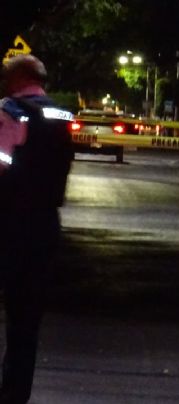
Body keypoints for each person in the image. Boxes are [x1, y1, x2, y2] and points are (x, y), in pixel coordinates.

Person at [0, 55, 74, 403]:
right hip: (45, 224)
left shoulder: (10, 111)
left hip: (8, 221)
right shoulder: (62, 116)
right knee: (26, 320)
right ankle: (16, 393)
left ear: (19, 78)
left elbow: (2, 164)